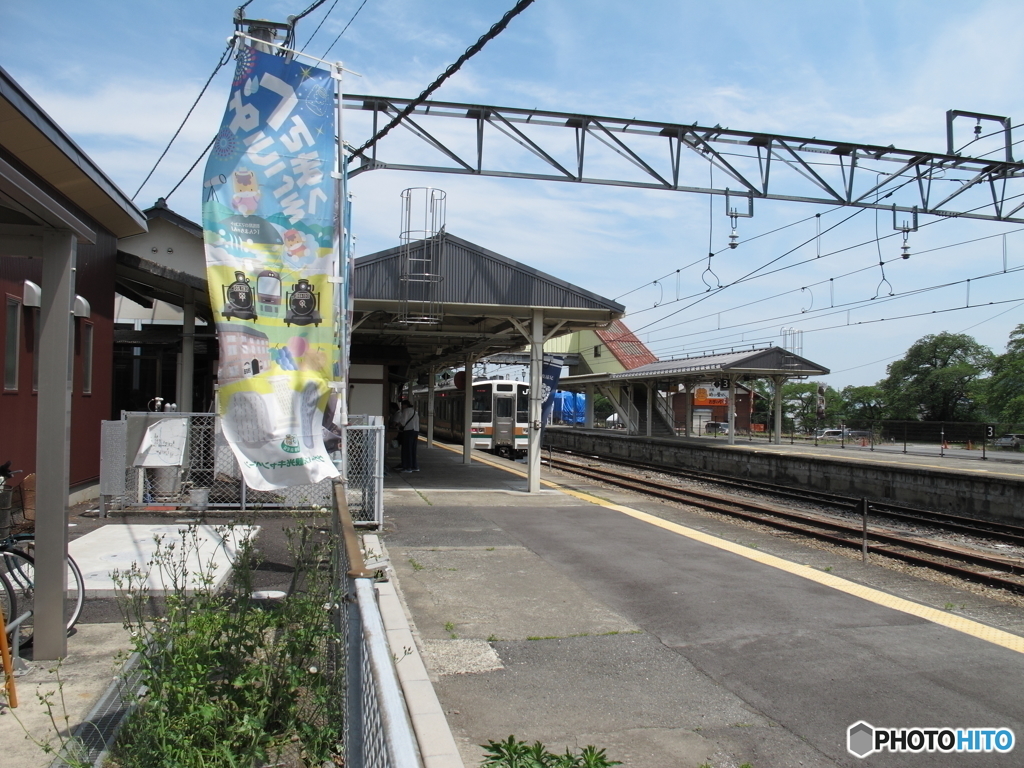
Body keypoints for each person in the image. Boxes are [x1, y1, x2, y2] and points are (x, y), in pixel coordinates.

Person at [397, 399, 420, 472]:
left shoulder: (406, 411)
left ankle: (407, 467)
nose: (402, 407)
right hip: (415, 431)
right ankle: (414, 466)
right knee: (413, 449)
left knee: (406, 449)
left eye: (402, 405)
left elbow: (403, 422)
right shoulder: (414, 411)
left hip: (408, 431)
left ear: (405, 405)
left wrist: (397, 425)